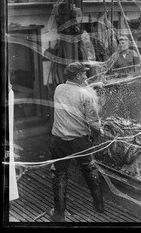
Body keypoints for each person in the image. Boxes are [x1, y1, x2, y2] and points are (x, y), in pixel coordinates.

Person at [49, 62, 105, 222]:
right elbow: (94, 122)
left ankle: (59, 214)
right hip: (80, 142)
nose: (86, 76)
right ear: (78, 76)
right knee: (89, 169)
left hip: (59, 142)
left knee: (59, 175)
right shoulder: (86, 96)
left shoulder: (59, 89)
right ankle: (99, 206)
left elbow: (75, 91)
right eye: (84, 74)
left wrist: (93, 84)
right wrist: (102, 130)